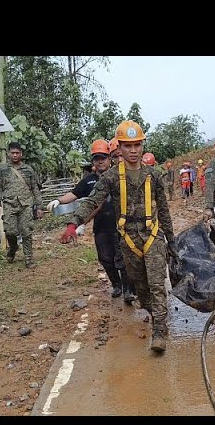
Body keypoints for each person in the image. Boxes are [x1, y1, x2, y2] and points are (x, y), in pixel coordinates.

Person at [59, 121, 178, 353]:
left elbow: (163, 209)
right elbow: (93, 201)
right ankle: (155, 313)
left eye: (137, 145)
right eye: (128, 146)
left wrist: (171, 240)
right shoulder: (110, 177)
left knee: (156, 284)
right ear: (119, 149)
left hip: (152, 235)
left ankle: (160, 331)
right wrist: (74, 223)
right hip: (128, 240)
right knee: (141, 289)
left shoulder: (153, 175)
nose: (133, 150)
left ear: (142, 145)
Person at [47, 139, 137, 303]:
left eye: (103, 157)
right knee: (105, 258)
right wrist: (59, 201)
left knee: (122, 259)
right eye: (97, 158)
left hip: (120, 226)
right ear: (93, 161)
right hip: (101, 227)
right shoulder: (88, 181)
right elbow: (74, 195)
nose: (100, 161)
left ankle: (128, 290)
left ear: (109, 158)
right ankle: (116, 285)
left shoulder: (119, 176)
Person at [0, 141, 44, 269]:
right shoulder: (2, 169)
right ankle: (13, 247)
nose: (15, 155)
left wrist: (39, 206)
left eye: (17, 153)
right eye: (12, 153)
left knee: (26, 231)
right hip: (9, 204)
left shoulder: (28, 169)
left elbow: (35, 189)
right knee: (10, 231)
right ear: (8, 153)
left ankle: (29, 259)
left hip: (26, 204)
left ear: (21, 154)